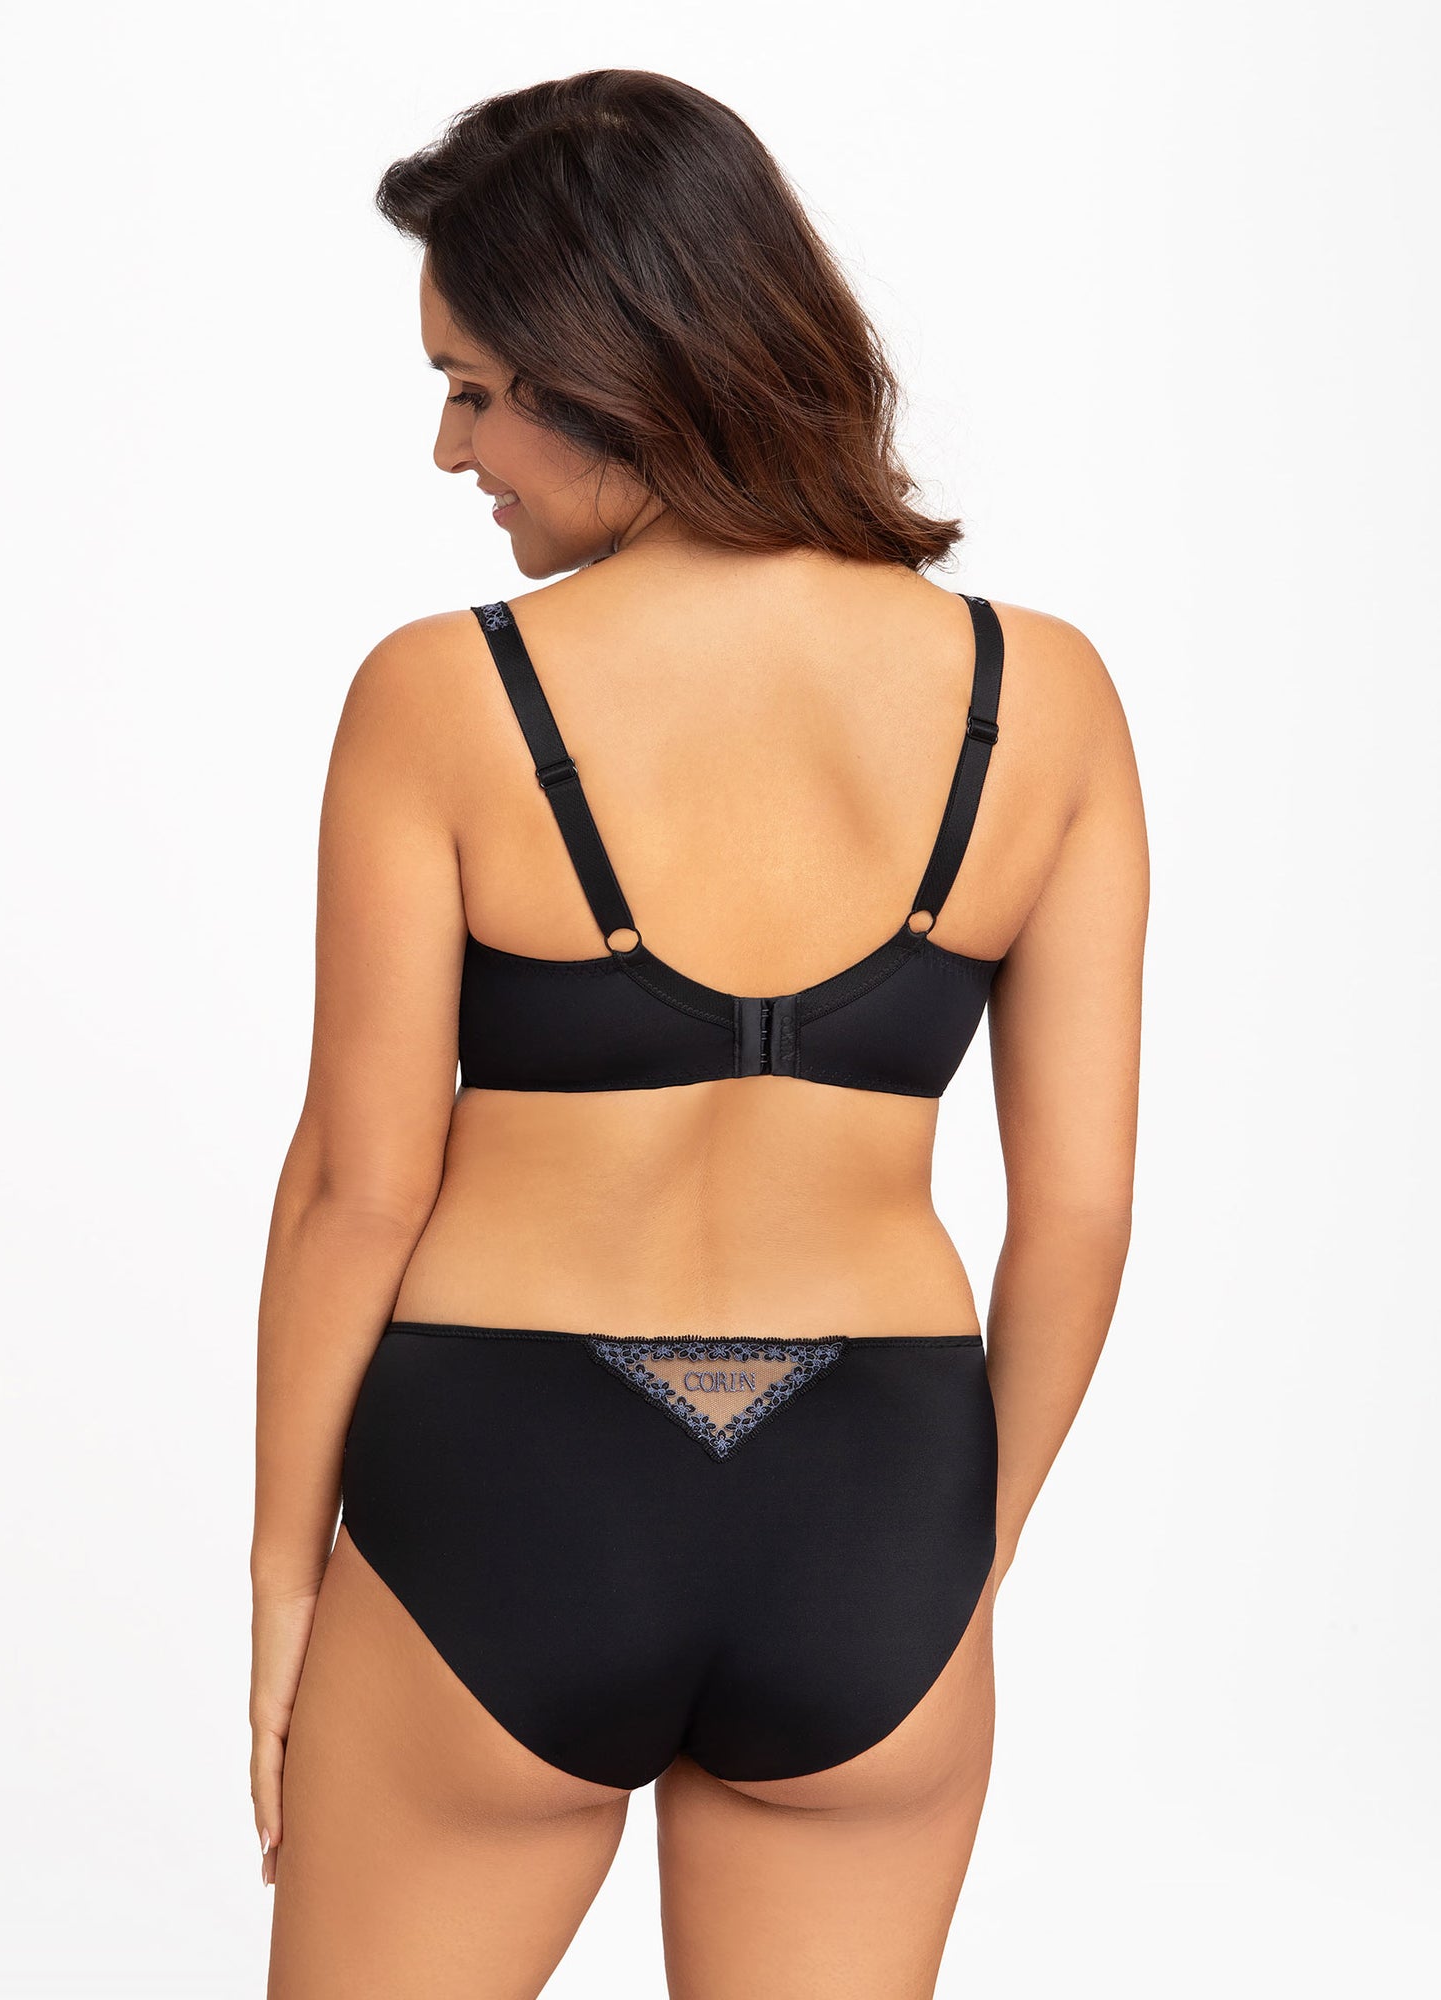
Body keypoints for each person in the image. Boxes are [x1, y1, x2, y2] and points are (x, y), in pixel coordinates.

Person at [251, 67, 1148, 2000]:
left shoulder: (444, 697)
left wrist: (280, 1578)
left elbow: (356, 1190)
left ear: (613, 369)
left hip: (508, 1488)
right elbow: (1079, 1215)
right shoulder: (1047, 698)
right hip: (877, 1494)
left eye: (474, 389)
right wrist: (954, 1562)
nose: (448, 448)